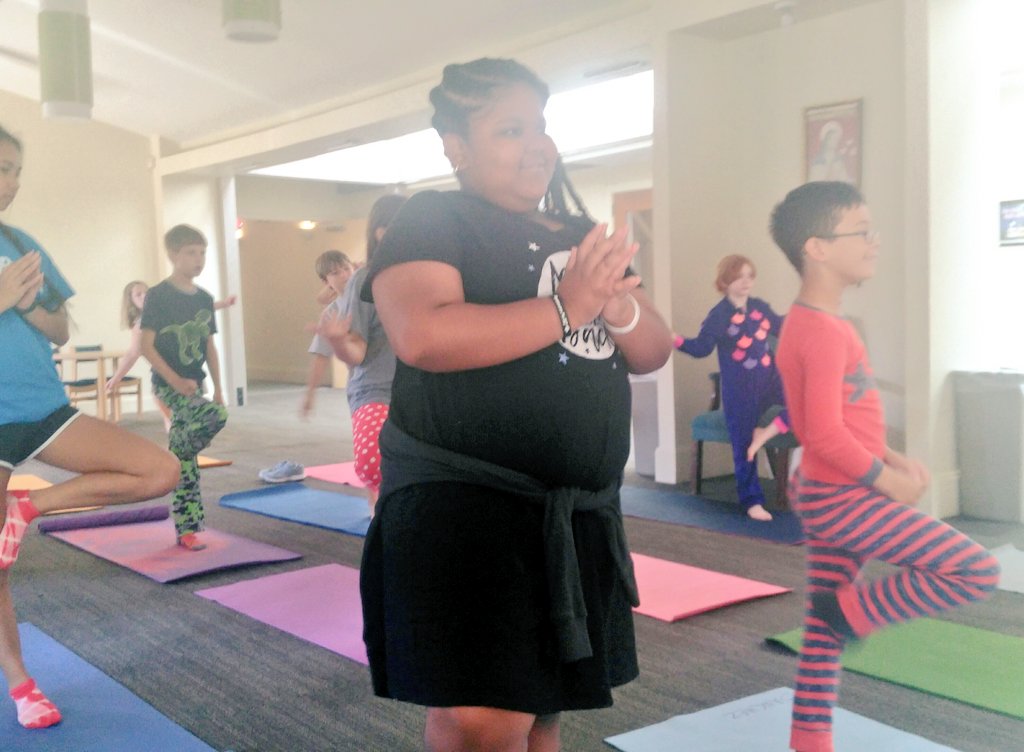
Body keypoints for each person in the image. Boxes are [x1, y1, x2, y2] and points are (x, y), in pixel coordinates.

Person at [359, 58, 672, 752]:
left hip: (572, 512)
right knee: (482, 716)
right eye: (510, 129)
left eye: (541, 126)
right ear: (457, 149)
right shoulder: (433, 216)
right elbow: (425, 335)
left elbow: (652, 348)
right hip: (468, 506)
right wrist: (569, 304)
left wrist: (613, 301)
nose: (536, 144)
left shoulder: (576, 232)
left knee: (540, 710)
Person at [769, 181, 1000, 752]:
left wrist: (895, 459)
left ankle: (809, 737)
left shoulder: (821, 322)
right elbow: (820, 432)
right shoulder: (820, 330)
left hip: (834, 488)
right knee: (975, 570)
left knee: (821, 635)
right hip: (840, 497)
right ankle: (854, 612)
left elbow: (844, 420)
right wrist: (886, 481)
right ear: (817, 248)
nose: (874, 242)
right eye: (862, 231)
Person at [0, 124, 178, 729]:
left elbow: (59, 329)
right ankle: (22, 683)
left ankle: (31, 509)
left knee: (160, 469)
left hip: (45, 408)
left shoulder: (22, 242)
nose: (12, 182)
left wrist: (28, 306)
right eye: (2, 167)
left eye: (16, 169)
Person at [673, 254, 790, 521]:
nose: (746, 281)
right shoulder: (719, 315)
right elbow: (702, 347)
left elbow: (782, 327)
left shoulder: (759, 307)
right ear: (725, 281)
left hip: (771, 380)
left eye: (750, 275)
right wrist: (676, 340)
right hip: (741, 391)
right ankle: (752, 500)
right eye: (740, 276)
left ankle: (766, 432)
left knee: (804, 403)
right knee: (743, 446)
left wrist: (805, 315)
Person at [310, 195, 407, 516]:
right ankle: (382, 515)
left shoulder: (428, 276)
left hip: (421, 391)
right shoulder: (366, 281)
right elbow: (357, 352)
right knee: (374, 464)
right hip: (377, 390)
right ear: (381, 232)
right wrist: (338, 342)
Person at [140, 224, 229, 551]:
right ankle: (179, 453)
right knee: (213, 418)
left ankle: (186, 528)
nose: (198, 259)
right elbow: (145, 346)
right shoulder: (158, 295)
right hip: (168, 384)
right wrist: (174, 379)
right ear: (173, 255)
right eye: (191, 252)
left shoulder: (204, 299)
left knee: (187, 458)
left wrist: (219, 388)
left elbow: (209, 347)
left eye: (202, 252)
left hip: (196, 386)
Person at [105, 280, 236, 431]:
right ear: (131, 302)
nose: (144, 296)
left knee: (181, 417)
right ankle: (177, 436)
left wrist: (223, 304)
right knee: (172, 417)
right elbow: (134, 352)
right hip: (165, 378)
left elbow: (195, 309)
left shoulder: (164, 311)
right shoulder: (140, 324)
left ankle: (180, 436)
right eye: (138, 295)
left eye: (146, 292)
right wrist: (117, 377)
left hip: (185, 371)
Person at [300, 250, 355, 418]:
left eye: (347, 268)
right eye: (335, 273)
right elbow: (321, 356)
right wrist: (310, 394)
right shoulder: (331, 313)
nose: (345, 275)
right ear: (326, 281)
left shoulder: (374, 295)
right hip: (362, 385)